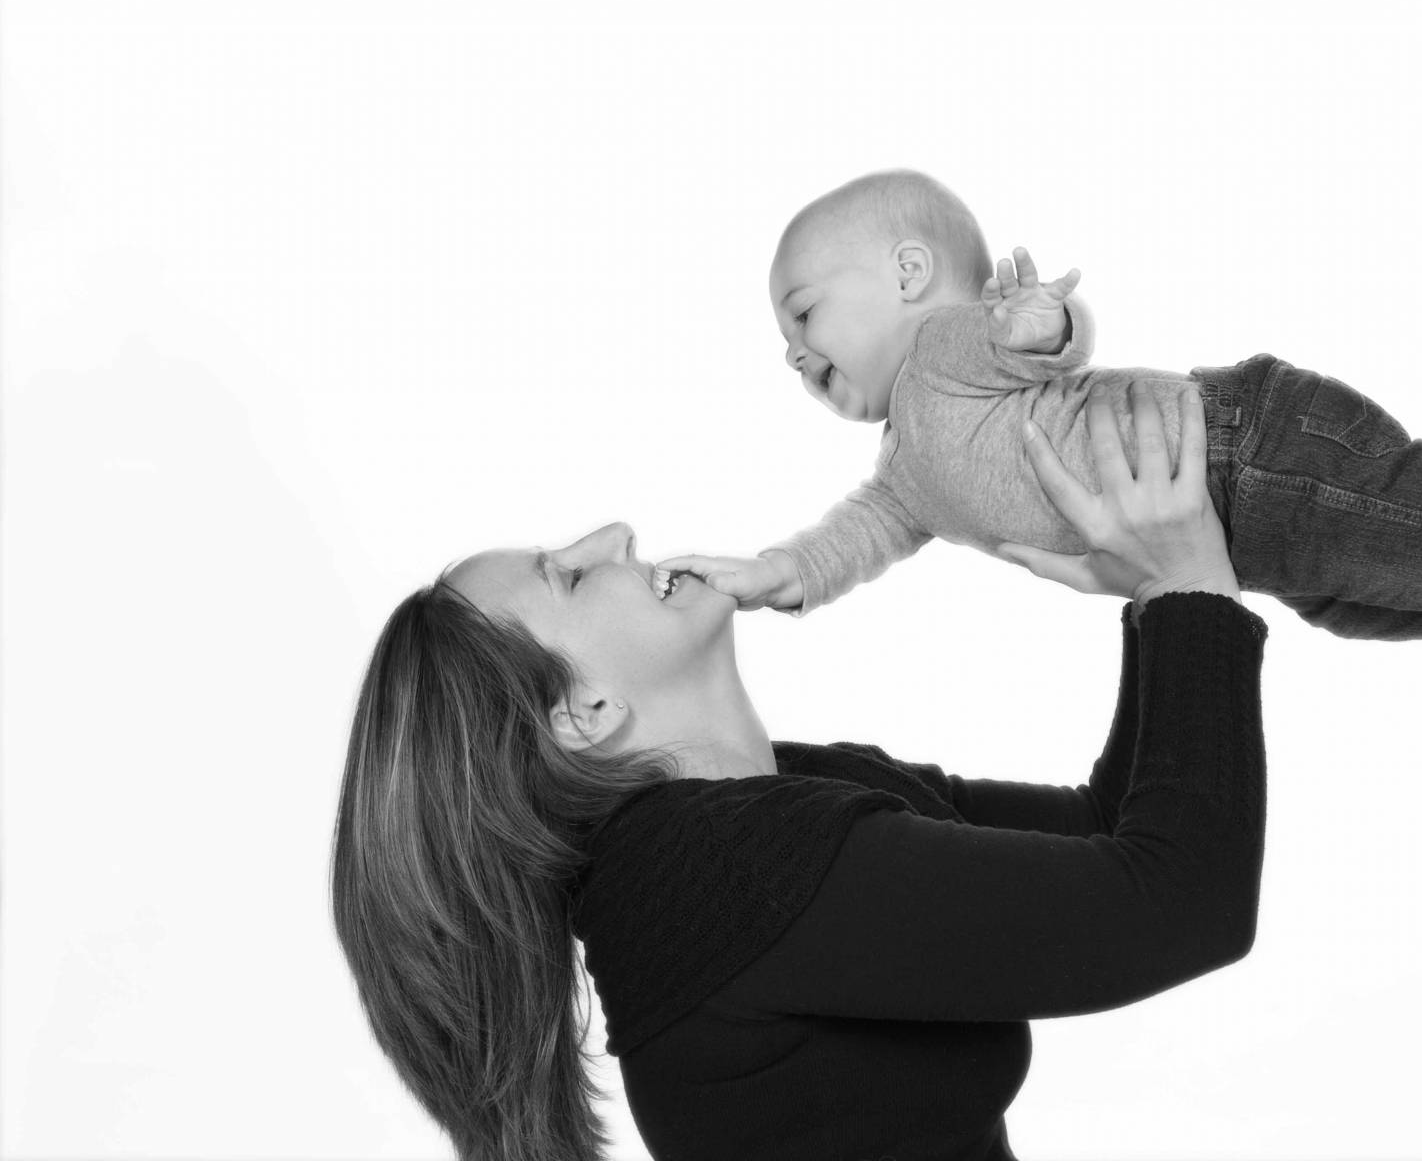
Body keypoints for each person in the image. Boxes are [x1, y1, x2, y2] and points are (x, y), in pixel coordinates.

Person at [331, 385, 1266, 1160]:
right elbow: (1182, 903)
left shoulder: (775, 809)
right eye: (568, 576)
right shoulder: (711, 874)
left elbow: (1112, 832)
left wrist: (1159, 600)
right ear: (583, 714)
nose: (614, 536)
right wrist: (1188, 590)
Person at [661, 169, 1422, 693]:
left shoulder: (946, 353)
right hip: (1226, 534)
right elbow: (851, 542)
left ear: (906, 275)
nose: (795, 357)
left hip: (1244, 453)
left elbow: (1046, 346)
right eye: (784, 349)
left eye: (803, 315)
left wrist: (1037, 322)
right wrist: (776, 574)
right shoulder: (903, 468)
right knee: (1355, 600)